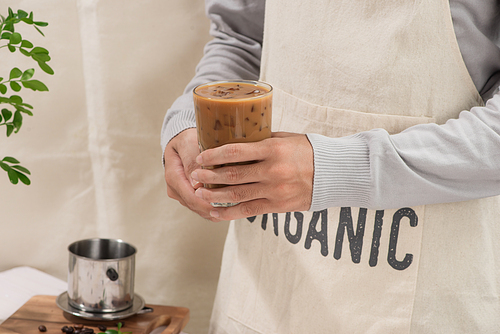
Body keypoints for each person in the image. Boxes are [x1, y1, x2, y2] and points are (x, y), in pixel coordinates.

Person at [162, 0, 500, 333]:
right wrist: (189, 121)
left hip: (428, 300)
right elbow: (242, 37)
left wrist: (331, 169)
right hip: (266, 282)